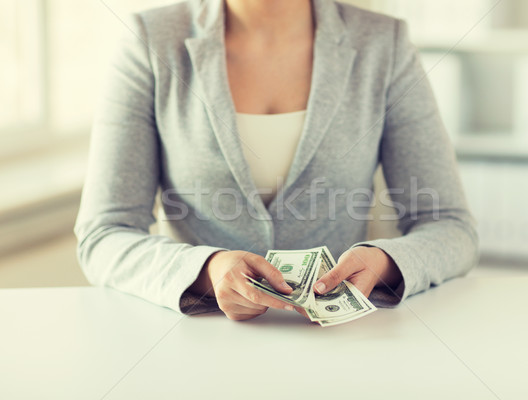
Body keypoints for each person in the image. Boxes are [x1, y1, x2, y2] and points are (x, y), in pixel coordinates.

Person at [75, 0, 478, 322]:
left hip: (341, 349)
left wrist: (387, 264)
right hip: (197, 344)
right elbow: (104, 234)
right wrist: (206, 270)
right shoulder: (150, 41)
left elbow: (450, 226)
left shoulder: (382, 43)